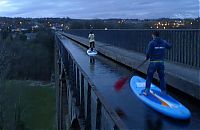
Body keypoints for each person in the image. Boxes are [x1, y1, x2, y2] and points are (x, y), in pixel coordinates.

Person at [143, 31, 172, 95]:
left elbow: (149, 52)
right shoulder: (163, 42)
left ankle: (147, 91)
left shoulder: (151, 43)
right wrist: (167, 42)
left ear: (153, 35)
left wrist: (146, 57)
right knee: (162, 78)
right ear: (158, 35)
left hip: (153, 62)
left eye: (152, 35)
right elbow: (170, 47)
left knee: (149, 76)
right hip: (161, 63)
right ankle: (163, 92)